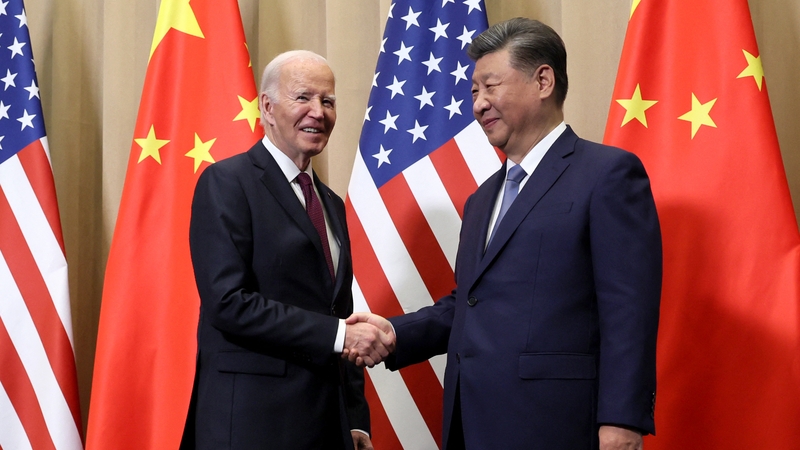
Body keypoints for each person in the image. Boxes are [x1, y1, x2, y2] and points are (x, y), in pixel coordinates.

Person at [345, 18, 662, 450]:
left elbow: (629, 310)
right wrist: (396, 334)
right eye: (474, 91)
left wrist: (622, 421)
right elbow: (472, 303)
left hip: (559, 426)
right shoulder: (482, 199)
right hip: (471, 422)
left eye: (490, 87)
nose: (478, 105)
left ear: (543, 81)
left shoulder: (607, 174)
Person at [187, 50, 392, 450]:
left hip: (324, 426)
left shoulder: (330, 203)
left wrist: (354, 419)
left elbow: (339, 313)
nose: (318, 111)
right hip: (251, 424)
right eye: (304, 98)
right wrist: (338, 336)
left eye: (328, 101)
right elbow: (227, 302)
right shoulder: (227, 183)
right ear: (267, 107)